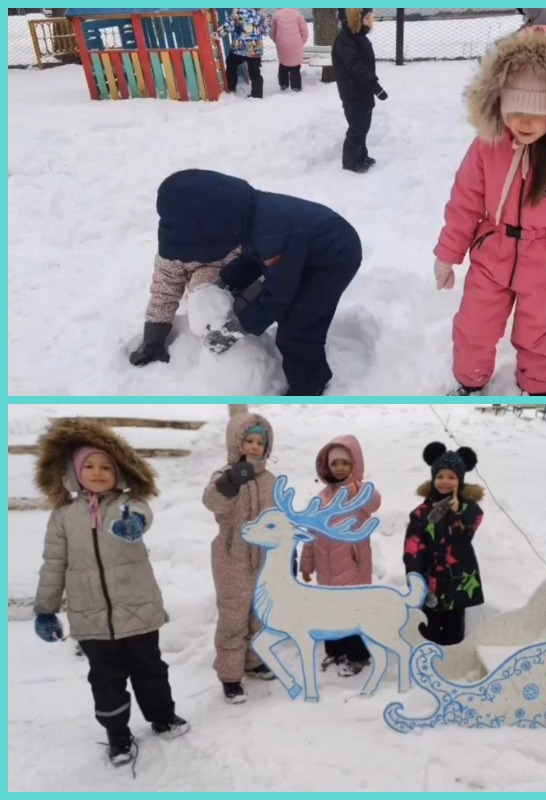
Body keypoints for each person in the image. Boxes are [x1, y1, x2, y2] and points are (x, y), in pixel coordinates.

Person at [433, 25, 546, 396]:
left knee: (539, 333)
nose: (524, 122)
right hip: (493, 251)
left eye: (538, 111)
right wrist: (447, 255)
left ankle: (540, 387)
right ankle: (470, 380)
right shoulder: (488, 145)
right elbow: (465, 202)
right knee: (474, 324)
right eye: (515, 109)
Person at [32, 419, 188, 766]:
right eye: (89, 466)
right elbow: (53, 564)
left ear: (118, 472)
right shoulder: (63, 516)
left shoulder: (127, 504)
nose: (98, 472)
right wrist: (45, 609)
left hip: (138, 609)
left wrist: (134, 524)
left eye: (106, 467)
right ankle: (117, 734)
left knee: (150, 669)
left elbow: (142, 513)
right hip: (91, 618)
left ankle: (163, 717)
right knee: (105, 679)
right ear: (74, 472)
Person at [129, 169, 363, 396]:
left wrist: (235, 329)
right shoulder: (250, 219)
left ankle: (309, 387)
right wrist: (224, 283)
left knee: (297, 327)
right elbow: (251, 260)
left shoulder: (272, 232)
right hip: (302, 250)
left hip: (333, 258)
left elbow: (277, 294)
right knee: (287, 303)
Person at [202, 413, 278, 703]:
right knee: (233, 616)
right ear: (236, 442)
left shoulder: (270, 480)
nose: (255, 447)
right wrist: (231, 481)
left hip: (263, 557)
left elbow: (278, 517)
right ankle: (230, 675)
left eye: (260, 442)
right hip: (231, 556)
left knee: (258, 614)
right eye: (249, 440)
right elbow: (212, 502)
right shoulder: (224, 475)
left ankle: (253, 660)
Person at [300, 435, 381, 676]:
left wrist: (359, 493)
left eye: (345, 463)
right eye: (334, 463)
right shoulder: (321, 497)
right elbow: (311, 532)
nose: (340, 468)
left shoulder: (361, 492)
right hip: (326, 570)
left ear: (355, 464)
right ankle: (335, 651)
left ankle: (358, 656)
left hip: (352, 567)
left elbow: (375, 503)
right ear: (327, 467)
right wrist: (307, 563)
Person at [403, 443, 484, 646]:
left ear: (460, 480)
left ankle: (453, 657)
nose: (445, 482)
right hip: (431, 580)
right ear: (433, 478)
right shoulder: (422, 513)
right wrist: (415, 577)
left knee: (454, 630)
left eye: (451, 477)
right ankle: (427, 657)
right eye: (440, 476)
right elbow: (413, 548)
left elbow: (473, 524)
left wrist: (460, 509)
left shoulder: (467, 509)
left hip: (459, 581)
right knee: (428, 627)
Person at [332, 9, 388, 173]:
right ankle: (350, 161)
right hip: (352, 91)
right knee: (357, 127)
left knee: (364, 124)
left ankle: (361, 156)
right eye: (367, 18)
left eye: (371, 17)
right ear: (356, 19)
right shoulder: (345, 39)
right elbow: (356, 66)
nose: (371, 21)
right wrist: (375, 87)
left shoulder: (359, 36)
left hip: (363, 89)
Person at [215, 8, 270, 98]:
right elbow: (266, 31)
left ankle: (231, 87)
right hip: (255, 49)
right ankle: (257, 94)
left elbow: (229, 25)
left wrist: (218, 34)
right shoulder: (260, 15)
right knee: (255, 72)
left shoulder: (239, 12)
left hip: (240, 48)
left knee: (231, 63)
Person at [269, 8, 309, 92]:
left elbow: (272, 32)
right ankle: (296, 86)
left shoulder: (276, 15)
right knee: (295, 66)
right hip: (296, 43)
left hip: (282, 43)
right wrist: (301, 41)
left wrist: (277, 41)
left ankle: (283, 84)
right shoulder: (298, 14)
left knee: (283, 64)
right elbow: (305, 31)